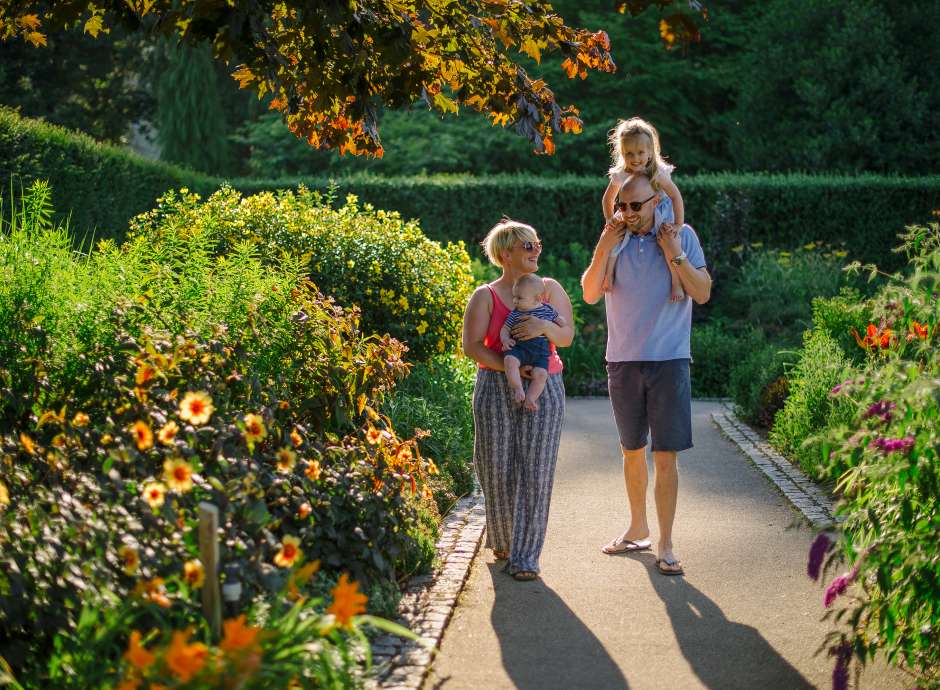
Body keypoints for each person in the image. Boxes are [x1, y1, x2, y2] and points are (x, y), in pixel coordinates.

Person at [582, 172, 711, 576]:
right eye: (621, 205)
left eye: (636, 205)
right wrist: (603, 247)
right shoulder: (615, 239)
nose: (627, 213)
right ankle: (638, 529)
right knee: (631, 450)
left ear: (658, 201)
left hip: (669, 359)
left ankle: (666, 543)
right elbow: (588, 293)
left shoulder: (682, 235)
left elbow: (703, 291)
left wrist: (674, 252)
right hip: (621, 360)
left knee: (665, 456)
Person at [462, 219, 574, 581]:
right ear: (505, 253)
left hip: (545, 388)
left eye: (537, 243)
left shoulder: (550, 289)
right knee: (495, 467)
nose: (536, 249)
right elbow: (472, 346)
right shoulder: (485, 296)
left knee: (536, 470)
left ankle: (526, 556)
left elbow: (567, 335)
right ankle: (504, 538)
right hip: (495, 386)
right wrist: (512, 370)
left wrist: (544, 329)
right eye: (528, 245)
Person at [602, 117, 687, 302]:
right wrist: (610, 219)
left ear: (651, 152)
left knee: (668, 243)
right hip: (629, 210)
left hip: (659, 211)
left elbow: (675, 196)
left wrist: (678, 224)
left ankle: (676, 281)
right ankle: (608, 275)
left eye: (640, 152)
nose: (635, 158)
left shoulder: (657, 173)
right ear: (622, 153)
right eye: (629, 153)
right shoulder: (621, 174)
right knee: (615, 239)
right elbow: (608, 199)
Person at [500, 273, 568, 411]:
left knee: (541, 375)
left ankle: (530, 398)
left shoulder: (547, 310)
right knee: (509, 360)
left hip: (540, 353)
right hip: (519, 348)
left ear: (537, 298)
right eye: (514, 296)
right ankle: (518, 388)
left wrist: (561, 321)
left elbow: (560, 321)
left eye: (519, 298)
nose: (515, 301)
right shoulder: (515, 313)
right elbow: (505, 328)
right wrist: (505, 340)